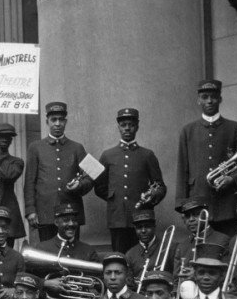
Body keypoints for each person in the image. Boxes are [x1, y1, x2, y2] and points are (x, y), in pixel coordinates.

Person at [175, 79, 237, 236]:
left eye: (213, 96)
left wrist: (232, 179)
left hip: (228, 206)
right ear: (198, 100)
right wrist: (182, 205)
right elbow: (182, 170)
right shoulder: (188, 131)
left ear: (220, 98)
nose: (209, 101)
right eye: (205, 97)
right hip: (198, 205)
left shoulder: (234, 128)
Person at [24, 202, 101, 299]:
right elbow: (27, 277)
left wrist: (91, 288)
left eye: (74, 220)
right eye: (66, 220)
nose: (71, 224)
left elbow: (98, 281)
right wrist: (46, 283)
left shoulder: (87, 250)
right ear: (56, 222)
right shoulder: (42, 247)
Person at [94, 108, 166, 253]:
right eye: (123, 125)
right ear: (118, 127)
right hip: (117, 219)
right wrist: (114, 199)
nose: (127, 128)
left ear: (137, 126)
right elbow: (99, 187)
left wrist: (152, 197)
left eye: (131, 124)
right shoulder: (108, 155)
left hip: (141, 218)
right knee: (119, 257)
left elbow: (160, 186)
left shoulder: (147, 155)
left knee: (141, 256)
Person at [23, 101, 93, 242]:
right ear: (47, 122)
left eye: (61, 120)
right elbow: (30, 181)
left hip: (71, 212)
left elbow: (92, 175)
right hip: (45, 212)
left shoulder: (77, 147)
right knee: (48, 255)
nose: (57, 123)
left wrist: (80, 186)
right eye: (53, 120)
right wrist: (31, 211)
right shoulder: (35, 147)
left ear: (65, 122)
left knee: (71, 252)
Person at [171, 199, 230, 283]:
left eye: (196, 214)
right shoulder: (182, 246)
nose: (191, 219)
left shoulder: (222, 240)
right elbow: (176, 278)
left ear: (207, 216)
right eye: (187, 216)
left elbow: (227, 274)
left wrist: (197, 275)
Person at [124, 208, 176, 289]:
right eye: (139, 227)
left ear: (154, 227)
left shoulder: (169, 247)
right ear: (135, 229)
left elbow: (175, 277)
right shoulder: (130, 254)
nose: (143, 231)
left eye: (147, 226)